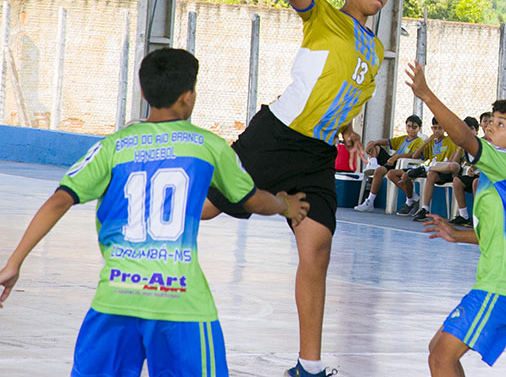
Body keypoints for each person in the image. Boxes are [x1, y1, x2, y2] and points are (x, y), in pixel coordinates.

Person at [0, 48, 309, 375]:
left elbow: (59, 200)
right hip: (183, 304)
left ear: (144, 93)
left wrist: (14, 262)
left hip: (117, 299)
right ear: (188, 97)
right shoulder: (209, 146)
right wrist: (285, 204)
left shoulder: (114, 146)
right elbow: (251, 199)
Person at [203, 0, 400, 377]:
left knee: (318, 248)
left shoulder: (374, 50)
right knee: (205, 208)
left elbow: (342, 93)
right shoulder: (325, 17)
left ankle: (309, 367)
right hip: (276, 137)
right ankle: (137, 228)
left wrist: (348, 129)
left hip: (316, 154)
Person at [405, 62, 506, 375]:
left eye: (501, 123)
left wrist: (427, 95)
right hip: (502, 277)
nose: (491, 127)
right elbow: (501, 231)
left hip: (505, 280)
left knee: (441, 357)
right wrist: (457, 234)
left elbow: (464, 138)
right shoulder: (503, 174)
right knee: (438, 351)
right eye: (491, 121)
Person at [353, 115, 424, 212]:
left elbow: (415, 155)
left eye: (414, 127)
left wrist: (397, 157)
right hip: (392, 161)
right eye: (409, 126)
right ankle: (373, 163)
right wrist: (373, 143)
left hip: (401, 164)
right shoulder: (403, 138)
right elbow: (386, 141)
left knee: (379, 171)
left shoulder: (419, 141)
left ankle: (370, 201)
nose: (411, 129)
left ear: (419, 128)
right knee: (373, 145)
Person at [413, 117, 478, 222]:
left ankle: (426, 168)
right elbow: (454, 159)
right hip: (447, 171)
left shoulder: (477, 144)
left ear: (476, 131)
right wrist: (460, 148)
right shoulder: (460, 142)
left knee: (453, 166)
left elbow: (454, 163)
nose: (468, 132)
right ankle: (425, 209)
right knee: (431, 175)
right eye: (465, 129)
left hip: (459, 172)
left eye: (471, 129)